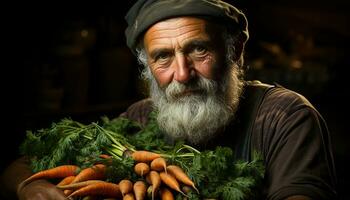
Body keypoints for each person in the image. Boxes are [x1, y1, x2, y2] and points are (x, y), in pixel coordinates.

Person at [0, 0, 337, 199]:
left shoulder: (285, 117)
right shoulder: (140, 119)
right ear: (147, 69)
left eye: (199, 49)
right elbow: (18, 168)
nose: (183, 73)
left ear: (235, 50)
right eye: (163, 57)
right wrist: (30, 190)